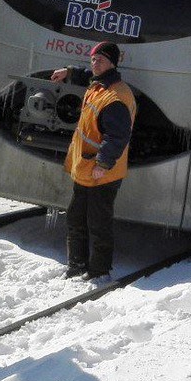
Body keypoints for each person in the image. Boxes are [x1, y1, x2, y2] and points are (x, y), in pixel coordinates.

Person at [51, 41, 136, 282]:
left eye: (100, 59)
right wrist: (69, 72)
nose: (94, 62)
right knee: (76, 218)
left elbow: (117, 136)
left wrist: (104, 163)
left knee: (98, 223)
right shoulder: (99, 85)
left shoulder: (115, 97)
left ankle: (99, 271)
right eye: (93, 58)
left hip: (102, 172)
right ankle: (77, 266)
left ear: (112, 62)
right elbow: (88, 74)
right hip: (86, 168)